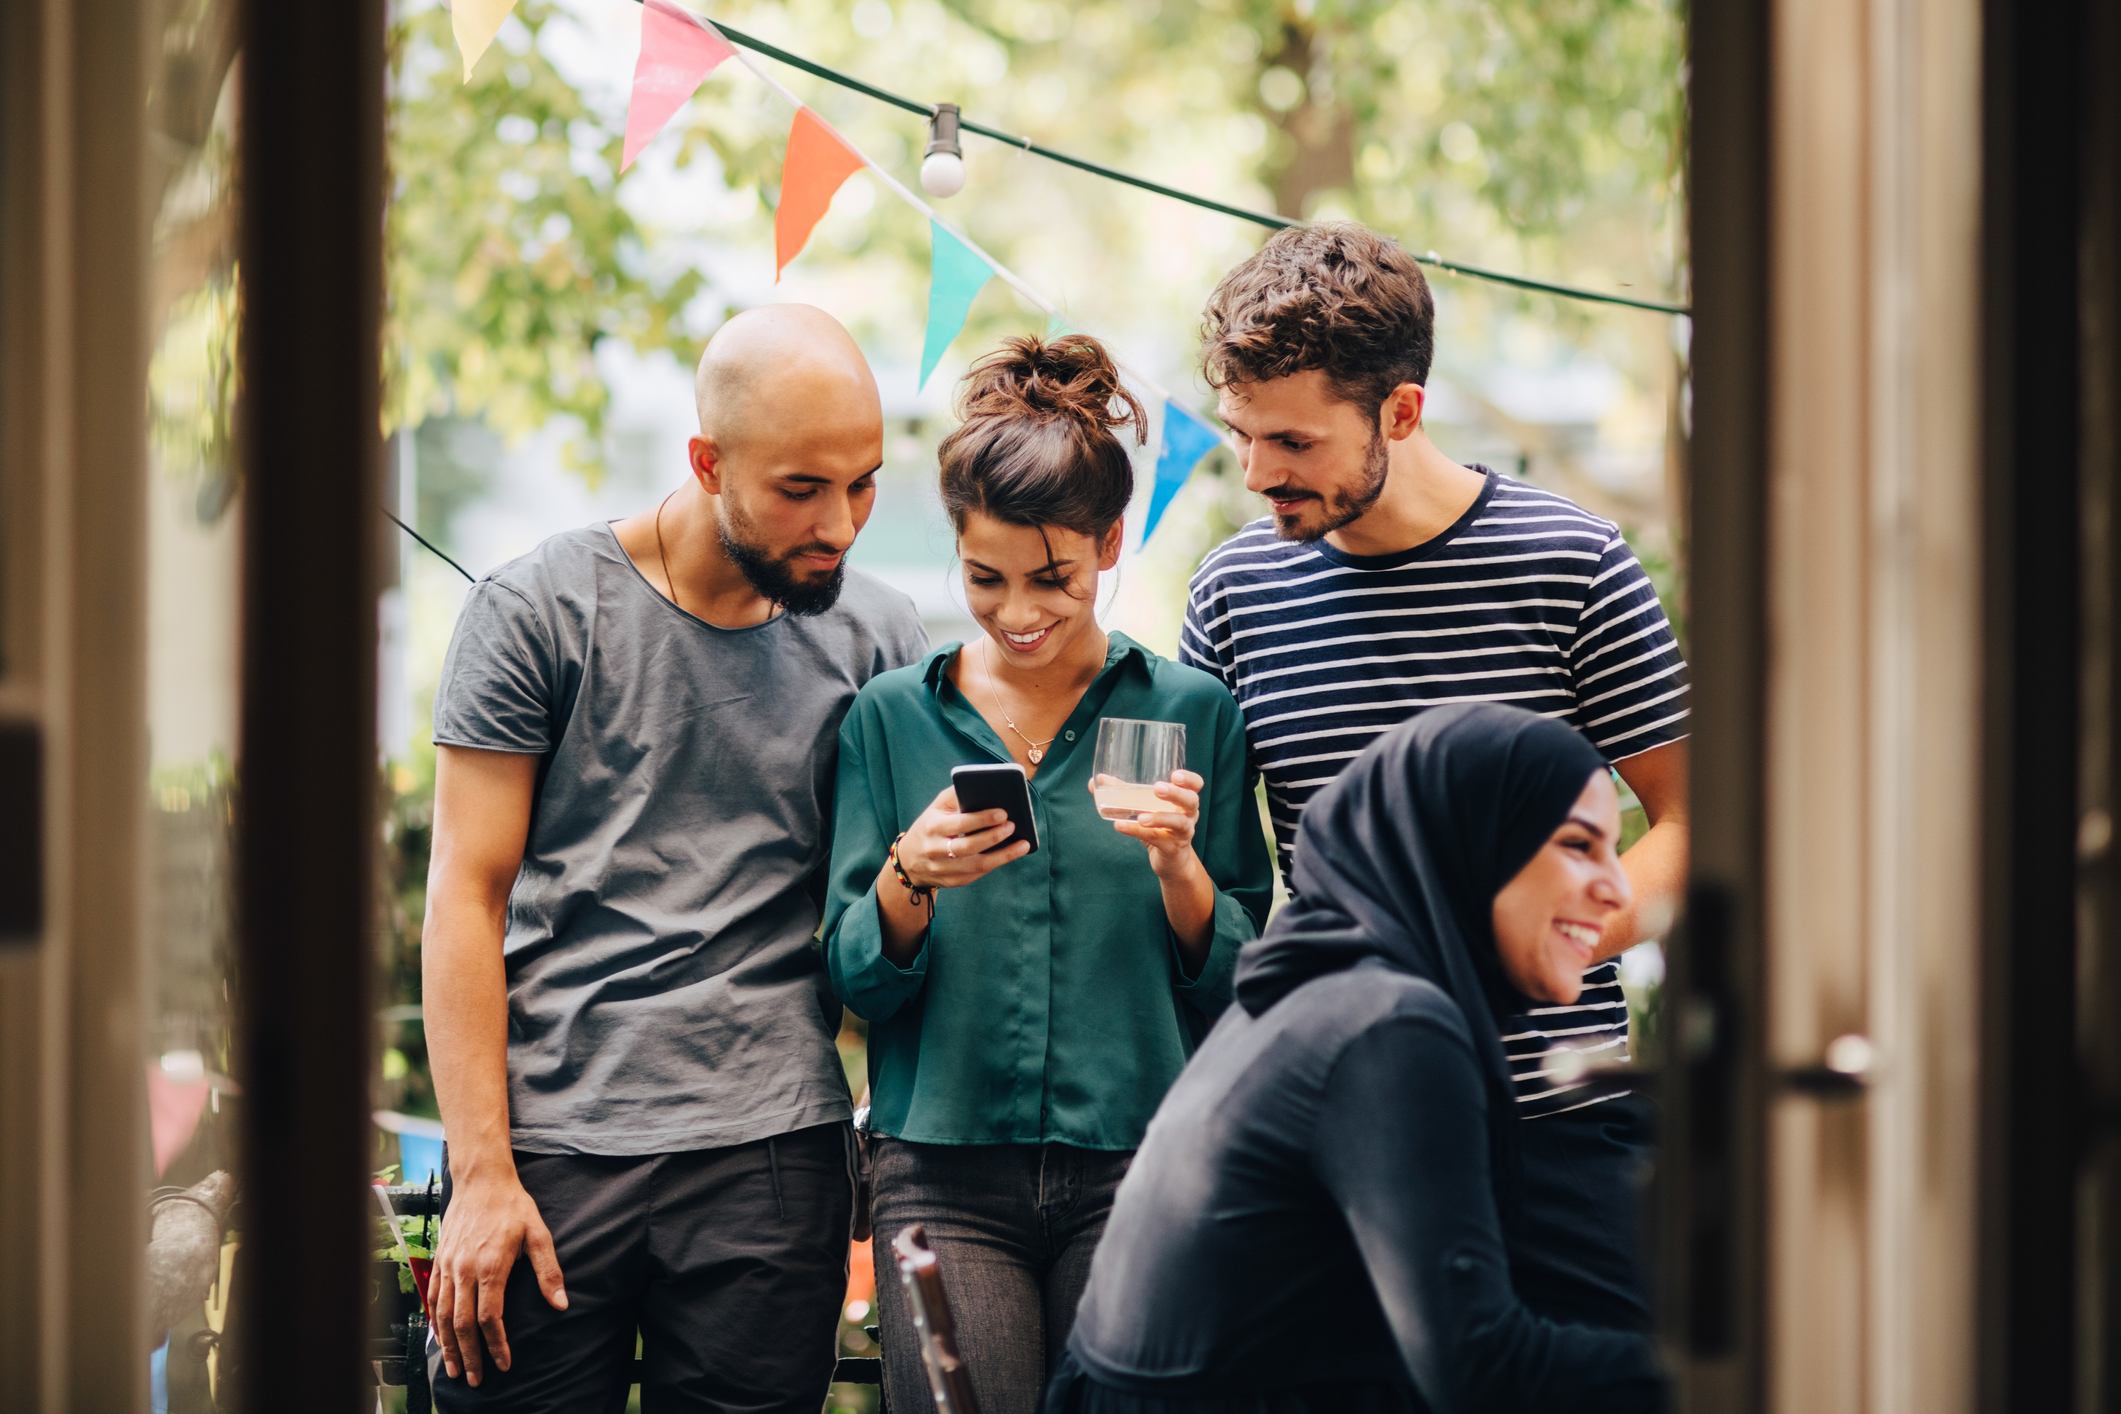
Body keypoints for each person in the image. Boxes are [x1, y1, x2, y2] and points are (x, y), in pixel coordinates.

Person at [1180, 222, 1688, 1330]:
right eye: (1242, 435)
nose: (1260, 473)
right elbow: (1219, 889)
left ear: (1400, 412)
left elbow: (1701, 819)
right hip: (1344, 1123)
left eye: (1295, 443)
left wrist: (1537, 946)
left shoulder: (1574, 561)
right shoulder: (1229, 595)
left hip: (1560, 1113)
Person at [421, 304, 928, 1413]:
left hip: (773, 1157)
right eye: (802, 488)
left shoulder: (882, 643)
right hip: (548, 1154)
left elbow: (893, 919)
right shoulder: (538, 612)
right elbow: (465, 895)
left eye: (864, 483)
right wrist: (483, 1174)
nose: (841, 523)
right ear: (707, 463)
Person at [821, 334, 1274, 1414]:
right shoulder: (892, 718)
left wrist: (1177, 866)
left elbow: (1245, 977)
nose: (1018, 610)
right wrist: (906, 876)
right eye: (985, 577)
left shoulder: (1192, 712)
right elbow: (853, 979)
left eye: (1053, 577)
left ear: (1111, 542)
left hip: (1142, 1163)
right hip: (939, 1169)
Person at [1048, 703, 1668, 1414]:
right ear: (1471, 844)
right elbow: (1482, 1369)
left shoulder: (1315, 986)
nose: (1617, 887)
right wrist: (1757, 1369)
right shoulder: (1389, 1027)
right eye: (1576, 845)